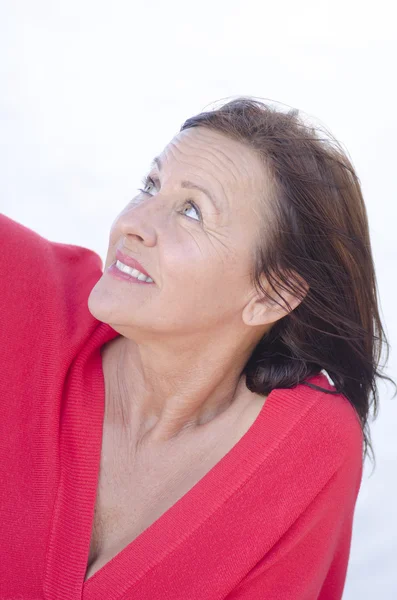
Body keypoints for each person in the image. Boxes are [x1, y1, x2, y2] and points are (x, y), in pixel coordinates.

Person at [0, 97, 392, 599]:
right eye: (150, 185)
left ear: (271, 294)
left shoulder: (304, 448)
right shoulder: (28, 291)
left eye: (190, 210)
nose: (133, 224)